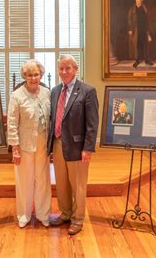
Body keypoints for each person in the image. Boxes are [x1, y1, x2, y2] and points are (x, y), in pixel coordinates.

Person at [47, 55, 99, 235]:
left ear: (76, 69)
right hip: (58, 143)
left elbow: (92, 123)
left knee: (78, 185)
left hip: (78, 147)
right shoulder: (54, 91)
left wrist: (88, 148)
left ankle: (77, 219)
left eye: (67, 68)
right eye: (61, 68)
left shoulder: (87, 91)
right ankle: (66, 213)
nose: (64, 72)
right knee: (61, 183)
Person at [7, 60, 51, 228]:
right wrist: (15, 149)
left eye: (36, 74)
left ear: (40, 75)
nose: (33, 78)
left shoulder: (47, 93)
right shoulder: (17, 95)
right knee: (24, 181)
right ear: (24, 76)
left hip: (43, 144)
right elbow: (12, 123)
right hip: (24, 145)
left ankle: (43, 214)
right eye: (29, 75)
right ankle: (24, 215)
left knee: (42, 180)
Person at [128, 0, 153, 68]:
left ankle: (147, 60)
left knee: (145, 45)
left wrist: (148, 32)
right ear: (135, 0)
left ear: (142, 0)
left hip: (144, 29)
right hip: (136, 30)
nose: (138, 0)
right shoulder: (132, 9)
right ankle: (137, 60)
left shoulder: (144, 8)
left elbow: (147, 20)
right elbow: (129, 20)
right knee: (137, 45)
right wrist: (130, 29)